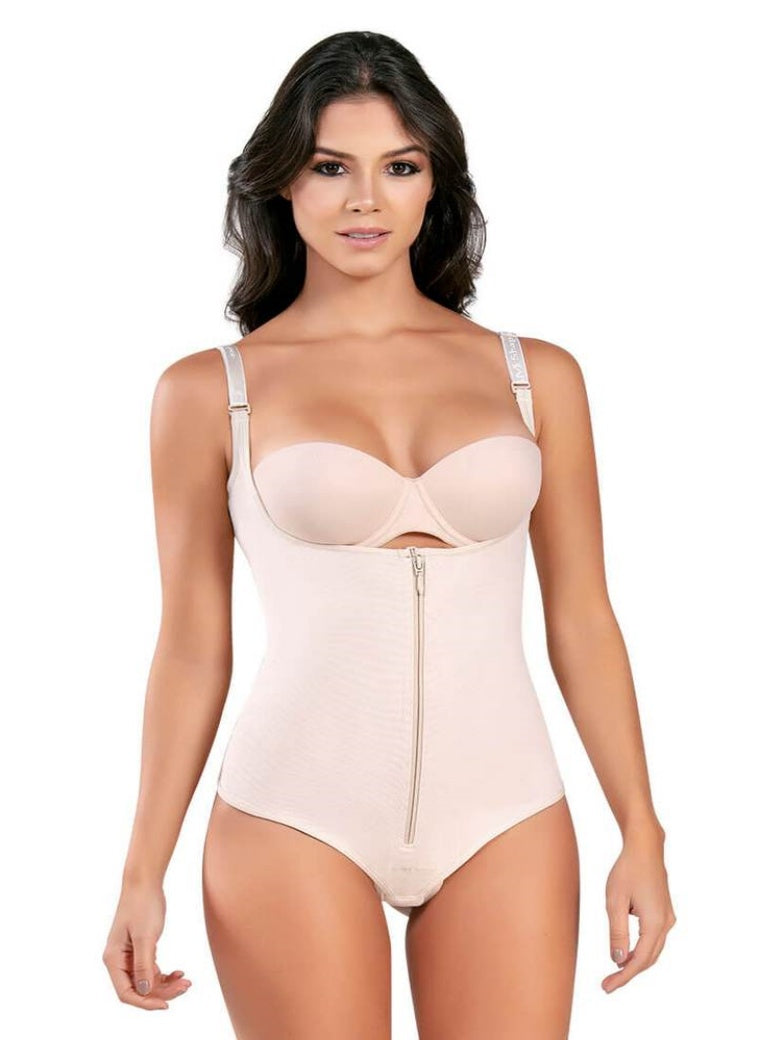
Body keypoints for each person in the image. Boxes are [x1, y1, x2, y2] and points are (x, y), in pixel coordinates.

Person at [102, 29, 676, 1038]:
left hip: (507, 808)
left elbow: (583, 616)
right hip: (293, 810)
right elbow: (192, 642)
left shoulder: (536, 376)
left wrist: (642, 826)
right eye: (332, 167)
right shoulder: (207, 392)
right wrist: (140, 870)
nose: (365, 200)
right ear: (282, 180)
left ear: (434, 183)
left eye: (398, 167)